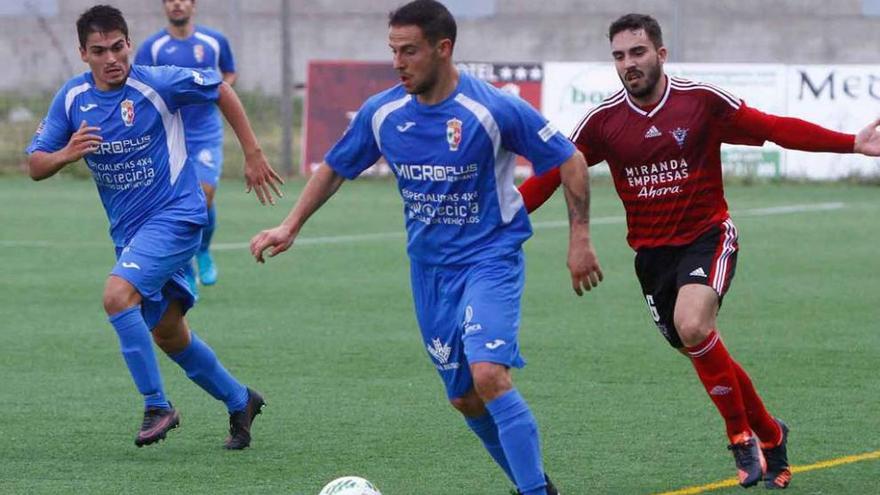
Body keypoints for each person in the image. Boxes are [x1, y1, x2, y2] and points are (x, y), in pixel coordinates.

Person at [249, 1, 601, 493]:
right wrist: (290, 226)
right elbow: (334, 167)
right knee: (464, 398)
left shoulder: (491, 107)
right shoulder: (384, 112)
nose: (398, 62)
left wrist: (579, 239)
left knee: (489, 375)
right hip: (430, 272)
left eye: (409, 51)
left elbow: (570, 158)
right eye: (393, 51)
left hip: (490, 259)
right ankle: (535, 482)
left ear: (443, 49)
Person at [517, 13, 880, 490]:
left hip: (708, 237)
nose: (629, 64)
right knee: (699, 344)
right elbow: (555, 171)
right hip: (651, 259)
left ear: (661, 54)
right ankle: (771, 433)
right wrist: (501, 219)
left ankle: (740, 436)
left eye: (638, 52)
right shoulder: (603, 122)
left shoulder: (701, 102)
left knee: (693, 325)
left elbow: (772, 127)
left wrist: (851, 143)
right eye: (620, 56)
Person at [26, 5, 283, 449]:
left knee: (115, 295)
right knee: (167, 332)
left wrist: (253, 152)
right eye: (100, 50)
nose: (112, 58)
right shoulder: (71, 99)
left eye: (119, 47)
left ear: (130, 44)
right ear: (83, 54)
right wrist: (65, 154)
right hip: (131, 234)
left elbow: (220, 88)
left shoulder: (157, 82)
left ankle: (156, 404)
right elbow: (34, 164)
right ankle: (240, 400)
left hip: (178, 216)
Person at [135, 0, 237, 292]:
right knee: (174, 202)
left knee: (205, 195)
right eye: (170, 0)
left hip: (205, 131)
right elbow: (140, 83)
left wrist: (214, 93)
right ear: (164, 7)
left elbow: (229, 73)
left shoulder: (214, 41)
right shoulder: (152, 47)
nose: (176, 4)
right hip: (168, 135)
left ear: (193, 5)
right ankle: (184, 263)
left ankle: (203, 249)